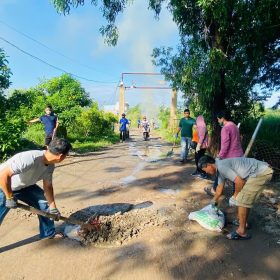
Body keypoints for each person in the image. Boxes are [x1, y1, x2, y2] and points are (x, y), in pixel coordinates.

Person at [0, 138, 72, 239]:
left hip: (24, 186)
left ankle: (48, 233)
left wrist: (53, 207)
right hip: (3, 185)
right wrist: (9, 197)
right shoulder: (29, 158)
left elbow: (48, 186)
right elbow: (3, 175)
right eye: (66, 155)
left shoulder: (50, 166)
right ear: (61, 156)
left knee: (44, 204)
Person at [198, 155, 273, 240]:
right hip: (258, 172)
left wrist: (234, 196)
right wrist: (214, 201)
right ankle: (243, 223)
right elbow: (219, 188)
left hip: (261, 173)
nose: (206, 172)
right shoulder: (219, 168)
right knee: (243, 200)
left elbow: (240, 182)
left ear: (209, 165)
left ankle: (241, 232)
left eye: (205, 170)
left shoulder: (222, 167)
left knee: (242, 200)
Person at [204, 110, 244, 196]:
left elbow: (225, 145)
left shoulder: (225, 128)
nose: (218, 121)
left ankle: (215, 190)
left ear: (222, 118)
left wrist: (219, 156)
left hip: (231, 156)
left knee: (220, 172)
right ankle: (236, 195)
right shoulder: (234, 126)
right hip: (239, 155)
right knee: (236, 176)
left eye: (218, 119)